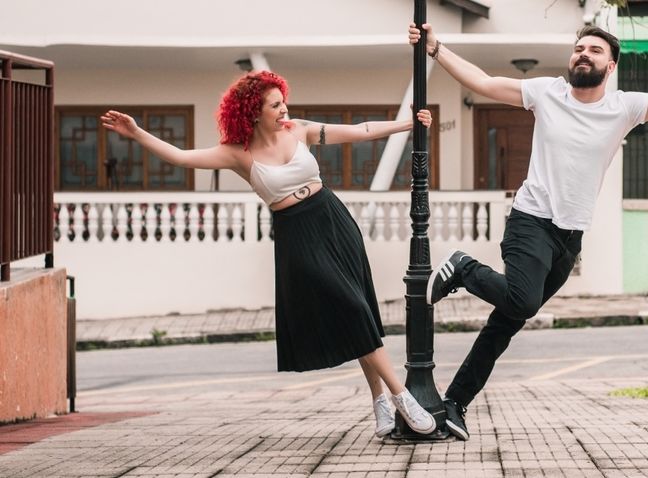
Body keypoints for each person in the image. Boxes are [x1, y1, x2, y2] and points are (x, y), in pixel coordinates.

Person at [408, 22, 648, 440]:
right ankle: (464, 268)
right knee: (521, 301)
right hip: (531, 220)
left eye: (594, 50)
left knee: (507, 323)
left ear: (609, 66)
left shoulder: (624, 109)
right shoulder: (546, 93)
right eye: (578, 48)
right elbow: (484, 82)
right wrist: (436, 49)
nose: (583, 54)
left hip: (569, 238)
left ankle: (454, 404)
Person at [100, 70, 436, 438]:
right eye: (275, 105)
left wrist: (409, 124)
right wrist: (136, 133)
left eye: (283, 101)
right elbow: (181, 157)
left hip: (333, 221)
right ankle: (402, 396)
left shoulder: (299, 129)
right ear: (253, 112)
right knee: (350, 307)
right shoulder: (237, 154)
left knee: (358, 308)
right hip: (296, 235)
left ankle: (379, 402)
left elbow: (362, 131)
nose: (284, 109)